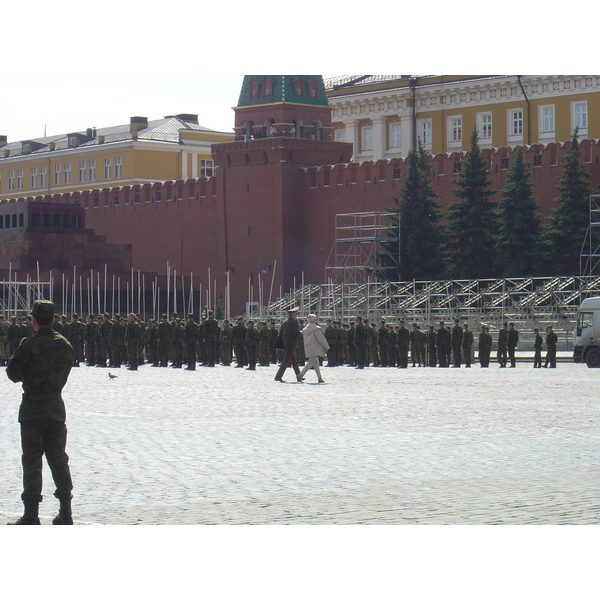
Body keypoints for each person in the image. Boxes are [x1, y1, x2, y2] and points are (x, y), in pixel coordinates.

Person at [6, 300, 75, 525]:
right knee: (58, 458)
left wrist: (29, 376)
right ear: (53, 319)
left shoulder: (30, 345)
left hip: (33, 408)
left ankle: (31, 514)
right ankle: (66, 512)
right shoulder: (64, 344)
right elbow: (65, 371)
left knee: (32, 460)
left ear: (33, 320)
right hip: (55, 405)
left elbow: (13, 372)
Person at [299, 314, 329, 383]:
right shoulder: (316, 328)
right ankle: (301, 374)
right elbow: (321, 339)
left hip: (308, 346)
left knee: (316, 363)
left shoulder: (306, 328)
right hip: (315, 347)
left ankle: (319, 378)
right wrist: (326, 346)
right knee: (311, 362)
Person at [275, 307, 302, 382]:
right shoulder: (294, 322)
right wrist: (301, 334)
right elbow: (296, 333)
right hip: (291, 343)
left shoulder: (285, 322)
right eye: (296, 314)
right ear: (293, 315)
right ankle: (278, 376)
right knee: (286, 360)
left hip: (286, 343)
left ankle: (299, 375)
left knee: (293, 360)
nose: (296, 316)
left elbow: (281, 334)